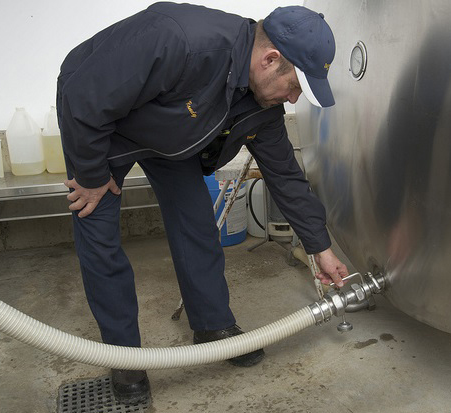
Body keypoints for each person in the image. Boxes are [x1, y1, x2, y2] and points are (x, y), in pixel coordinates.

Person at [57, 2, 348, 405]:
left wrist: (321, 246)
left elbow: (285, 176)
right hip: (98, 125)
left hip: (168, 131)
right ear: (270, 59)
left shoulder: (260, 102)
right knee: (99, 235)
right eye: (296, 86)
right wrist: (90, 176)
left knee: (195, 223)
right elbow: (83, 96)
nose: (294, 98)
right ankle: (123, 355)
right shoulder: (180, 40)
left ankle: (213, 326)